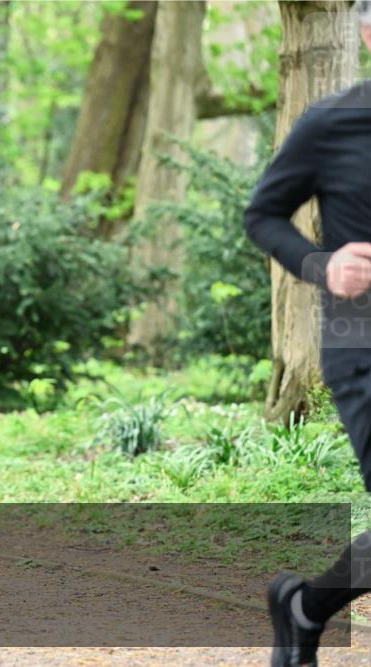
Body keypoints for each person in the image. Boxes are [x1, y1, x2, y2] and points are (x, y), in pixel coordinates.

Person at [244, 4, 371, 665]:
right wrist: (325, 264)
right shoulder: (331, 124)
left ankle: (306, 607)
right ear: (366, 29)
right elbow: (263, 215)